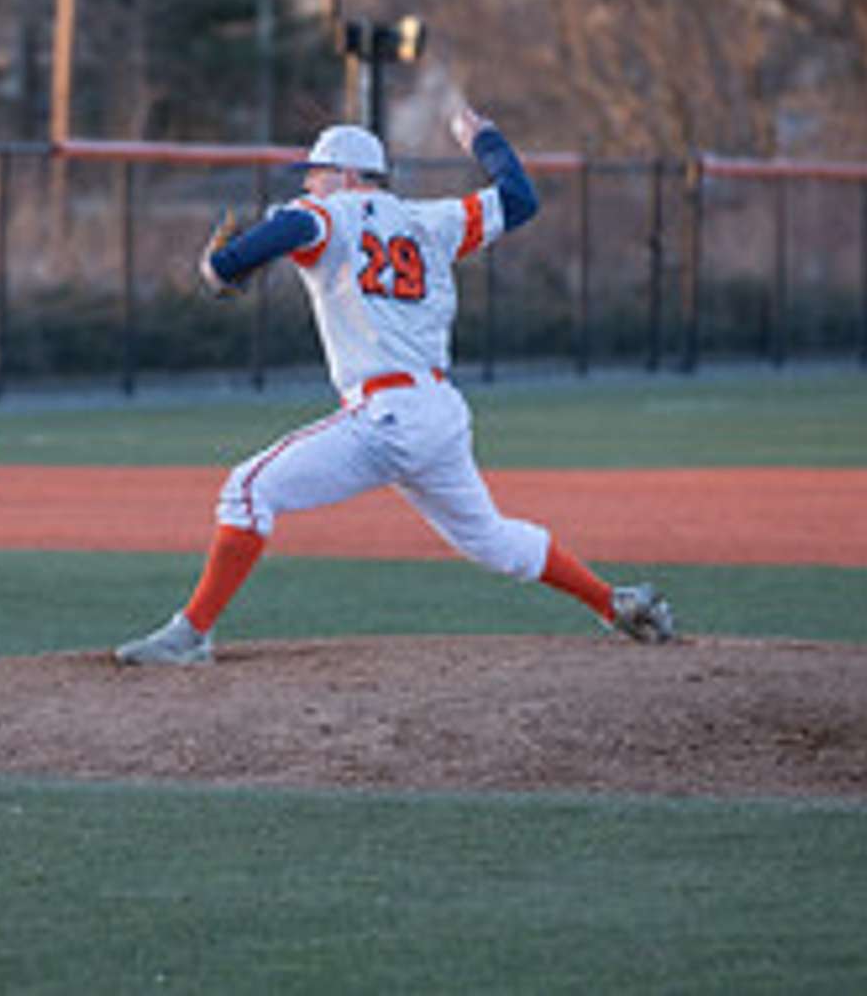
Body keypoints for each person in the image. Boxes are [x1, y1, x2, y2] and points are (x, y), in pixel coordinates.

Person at [115, 109, 674, 665]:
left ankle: (189, 635)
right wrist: (483, 137)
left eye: (318, 171)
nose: (309, 181)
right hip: (441, 412)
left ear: (350, 174)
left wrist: (220, 269)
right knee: (491, 539)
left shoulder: (327, 213)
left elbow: (282, 234)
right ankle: (613, 602)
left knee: (246, 490)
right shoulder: (431, 221)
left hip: (385, 414)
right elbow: (520, 198)